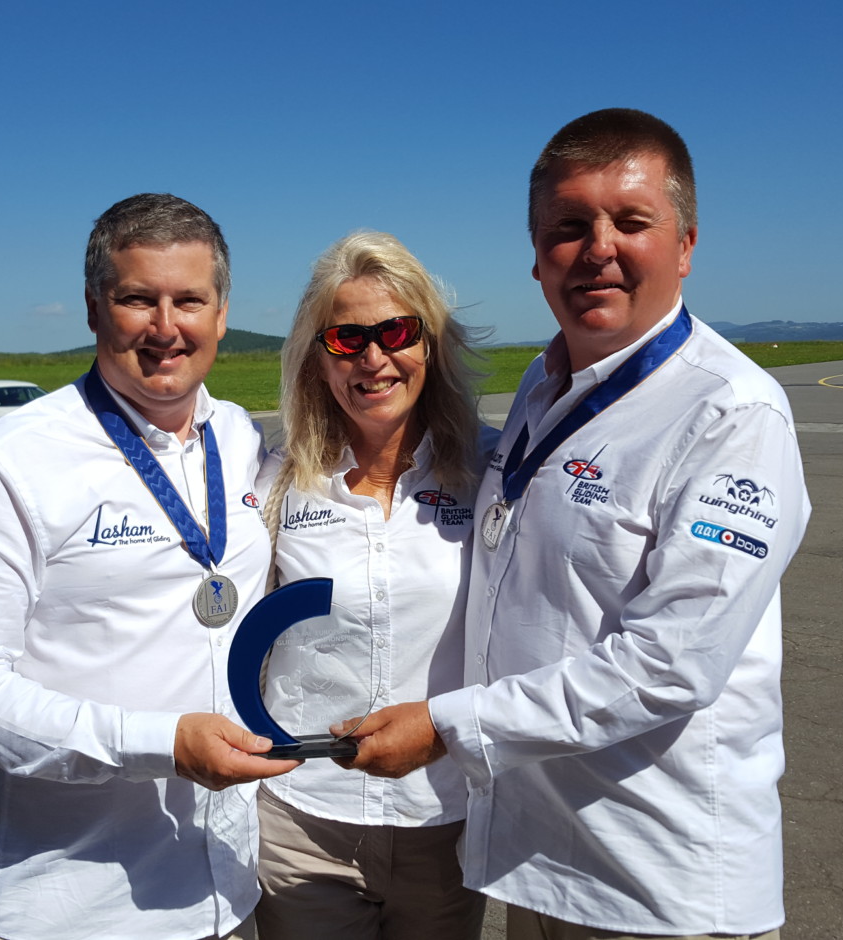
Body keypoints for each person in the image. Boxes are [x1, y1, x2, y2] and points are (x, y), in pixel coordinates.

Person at [338, 109, 812, 939]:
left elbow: (672, 664)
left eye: (631, 221)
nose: (598, 248)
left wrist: (449, 725)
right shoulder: (542, 382)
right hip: (540, 866)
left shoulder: (731, 414)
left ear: (686, 244)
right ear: (536, 255)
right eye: (569, 227)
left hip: (657, 882)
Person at [0, 193, 300, 940]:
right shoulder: (6, 463)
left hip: (226, 894)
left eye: (190, 300)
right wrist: (161, 743)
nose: (166, 327)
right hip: (73, 907)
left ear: (222, 314)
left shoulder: (239, 437)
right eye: (137, 299)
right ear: (95, 309)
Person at [254, 231, 496, 939]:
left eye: (395, 332)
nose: (372, 358)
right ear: (316, 357)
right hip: (302, 818)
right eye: (345, 338)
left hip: (443, 816)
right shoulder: (274, 480)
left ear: (430, 344)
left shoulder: (493, 471)